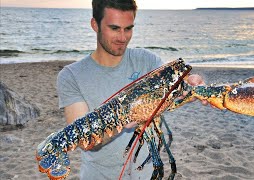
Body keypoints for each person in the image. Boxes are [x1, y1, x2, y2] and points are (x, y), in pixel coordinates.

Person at [57, 0, 208, 179]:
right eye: (114, 28)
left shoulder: (147, 61)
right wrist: (125, 117)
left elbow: (173, 90)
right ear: (95, 25)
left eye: (128, 28)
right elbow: (85, 141)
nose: (123, 37)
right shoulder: (71, 76)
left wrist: (189, 85)